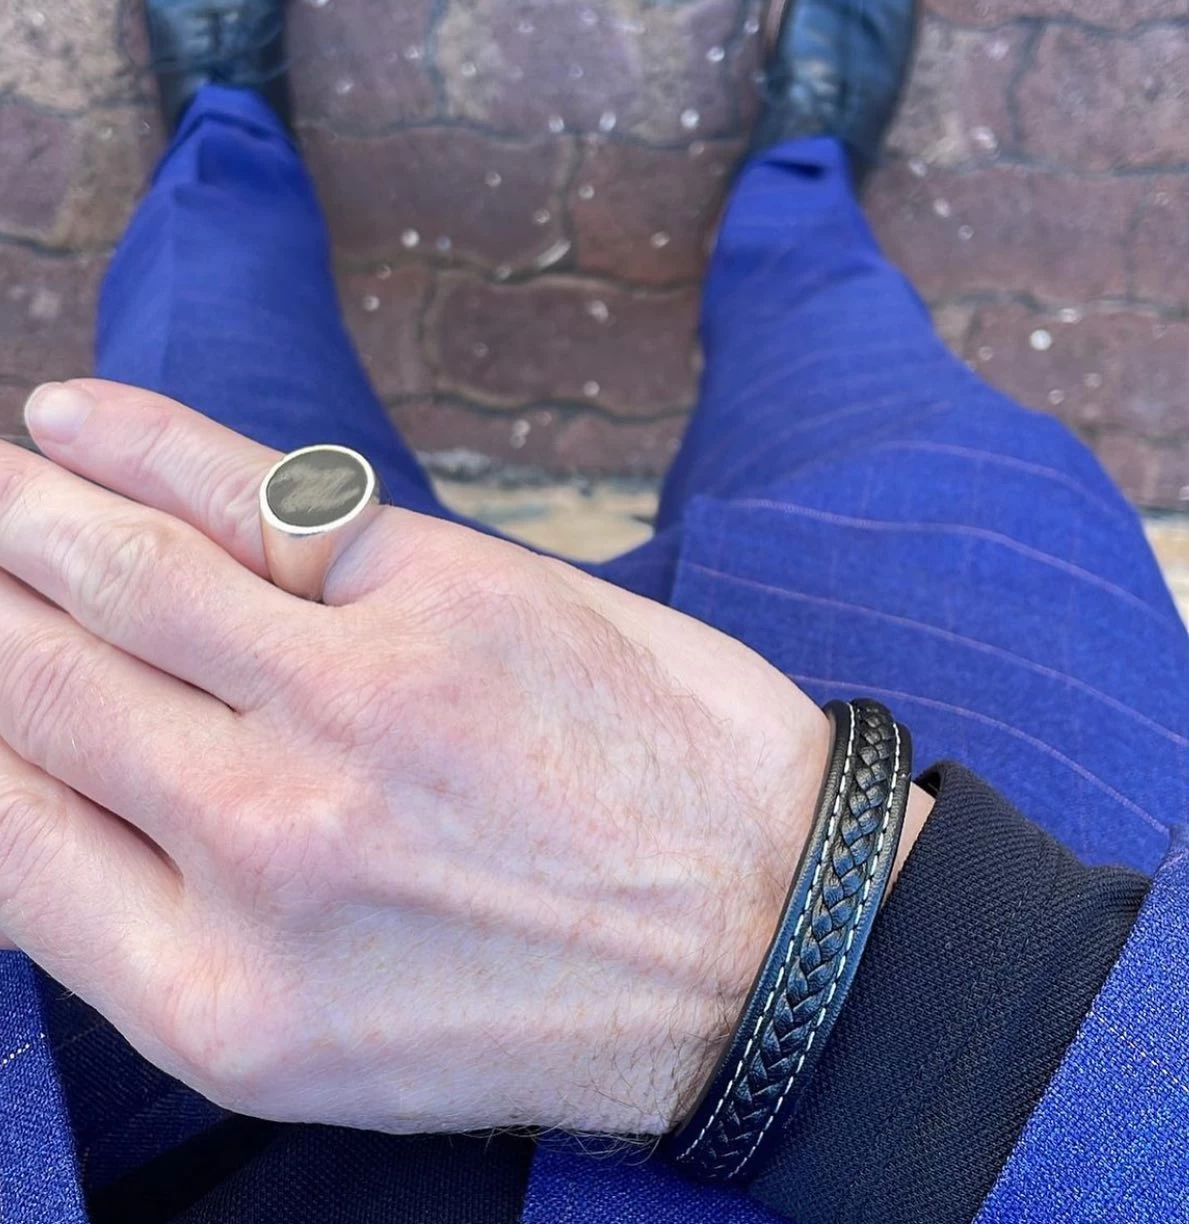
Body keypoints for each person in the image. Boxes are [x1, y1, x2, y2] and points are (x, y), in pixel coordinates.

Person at [0, 0, 1184, 1220]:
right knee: (848, 336)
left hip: (138, 1025)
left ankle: (225, 122)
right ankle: (801, 172)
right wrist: (904, 997)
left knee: (206, 303)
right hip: (1017, 878)